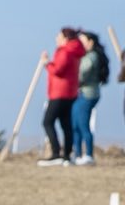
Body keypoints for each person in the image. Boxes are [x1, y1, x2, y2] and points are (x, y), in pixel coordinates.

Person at [39, 26, 86, 167]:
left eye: (58, 36)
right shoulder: (75, 52)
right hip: (70, 93)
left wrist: (47, 63)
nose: (56, 39)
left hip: (59, 93)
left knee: (47, 122)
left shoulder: (65, 51)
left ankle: (56, 153)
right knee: (66, 125)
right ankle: (66, 156)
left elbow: (58, 70)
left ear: (65, 38)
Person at [70, 29, 106, 166]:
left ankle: (89, 155)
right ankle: (77, 154)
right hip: (81, 93)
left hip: (88, 94)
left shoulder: (91, 57)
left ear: (90, 42)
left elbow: (81, 74)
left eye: (82, 41)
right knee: (75, 125)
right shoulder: (86, 56)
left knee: (83, 125)